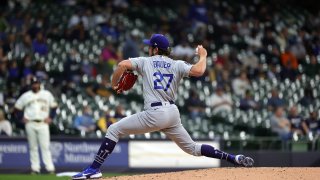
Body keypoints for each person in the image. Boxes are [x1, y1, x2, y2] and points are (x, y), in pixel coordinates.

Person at [72, 34, 254, 180]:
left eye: (150, 46)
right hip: (172, 113)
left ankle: (93, 169)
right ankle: (233, 158)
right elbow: (199, 71)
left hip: (154, 113)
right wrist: (204, 55)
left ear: (155, 49)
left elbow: (121, 65)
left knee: (113, 129)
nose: (148, 48)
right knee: (192, 148)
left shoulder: (145, 61)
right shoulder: (177, 64)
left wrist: (113, 84)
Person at [14, 77, 57, 174]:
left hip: (43, 123)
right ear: (31, 85)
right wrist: (21, 118)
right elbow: (17, 108)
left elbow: (54, 107)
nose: (35, 85)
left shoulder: (46, 94)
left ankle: (50, 168)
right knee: (33, 147)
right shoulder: (26, 95)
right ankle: (35, 168)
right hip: (30, 123)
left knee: (45, 146)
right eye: (33, 83)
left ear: (39, 84)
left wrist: (51, 117)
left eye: (36, 83)